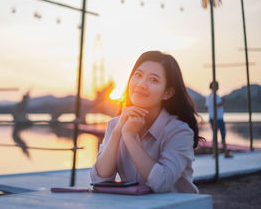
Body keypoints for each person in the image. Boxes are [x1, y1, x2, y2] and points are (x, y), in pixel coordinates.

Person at [90, 51, 203, 193]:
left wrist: (130, 138)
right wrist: (118, 131)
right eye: (138, 75)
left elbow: (160, 183)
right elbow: (99, 179)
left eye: (153, 80)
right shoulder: (115, 125)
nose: (141, 84)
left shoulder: (179, 131)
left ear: (167, 93)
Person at [205, 81, 232, 158]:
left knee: (215, 135)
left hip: (212, 118)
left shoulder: (208, 97)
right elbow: (216, 105)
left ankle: (215, 153)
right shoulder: (215, 96)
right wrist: (222, 102)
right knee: (222, 135)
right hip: (218, 118)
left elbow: (206, 107)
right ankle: (225, 152)